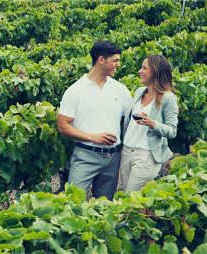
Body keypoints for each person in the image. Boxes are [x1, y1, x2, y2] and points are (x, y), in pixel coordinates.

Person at [57, 41, 132, 200]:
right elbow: (63, 126)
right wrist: (93, 137)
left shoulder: (120, 89)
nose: (118, 64)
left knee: (104, 206)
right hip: (85, 154)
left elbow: (130, 119)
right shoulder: (75, 91)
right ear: (101, 60)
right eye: (115, 60)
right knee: (74, 202)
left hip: (113, 157)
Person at [119, 55, 178, 193]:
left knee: (130, 197)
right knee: (132, 200)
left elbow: (172, 131)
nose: (140, 71)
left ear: (156, 72)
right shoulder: (140, 92)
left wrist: (153, 124)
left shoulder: (168, 98)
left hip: (146, 155)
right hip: (127, 152)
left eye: (144, 68)